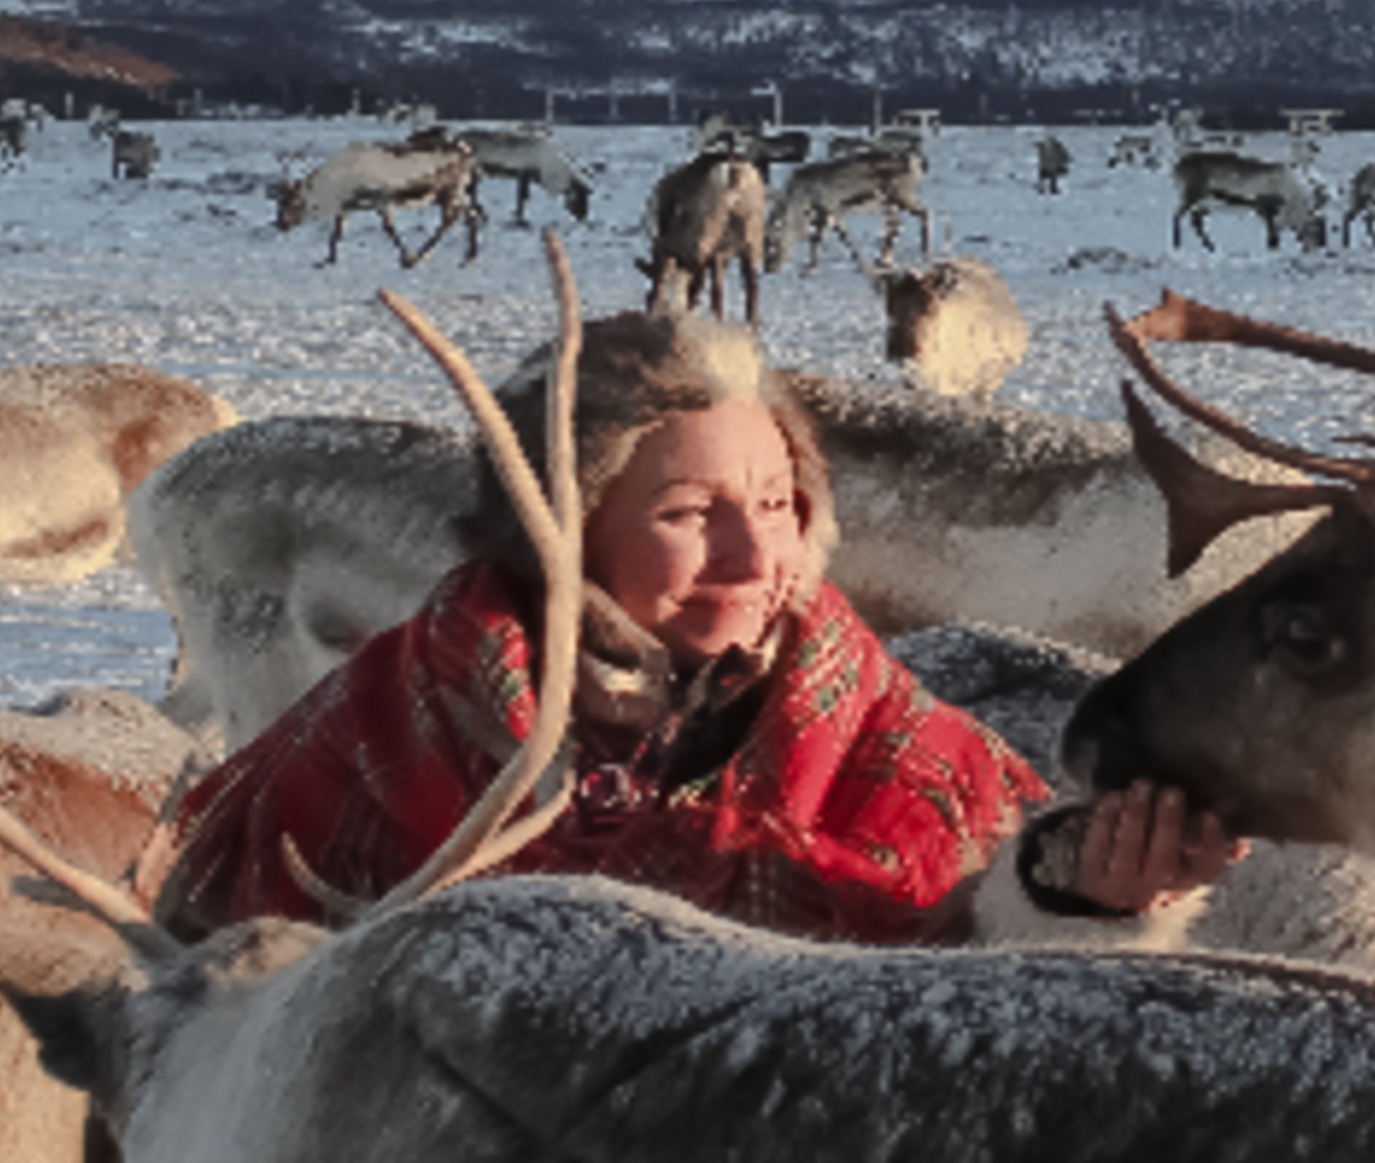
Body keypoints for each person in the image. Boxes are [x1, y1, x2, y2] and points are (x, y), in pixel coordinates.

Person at [157, 309, 1240, 946]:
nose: (753, 556)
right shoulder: (372, 738)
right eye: (687, 515)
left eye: (777, 504)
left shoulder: (900, 743)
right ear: (560, 534)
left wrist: (1073, 894)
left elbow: (980, 1018)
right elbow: (221, 1032)